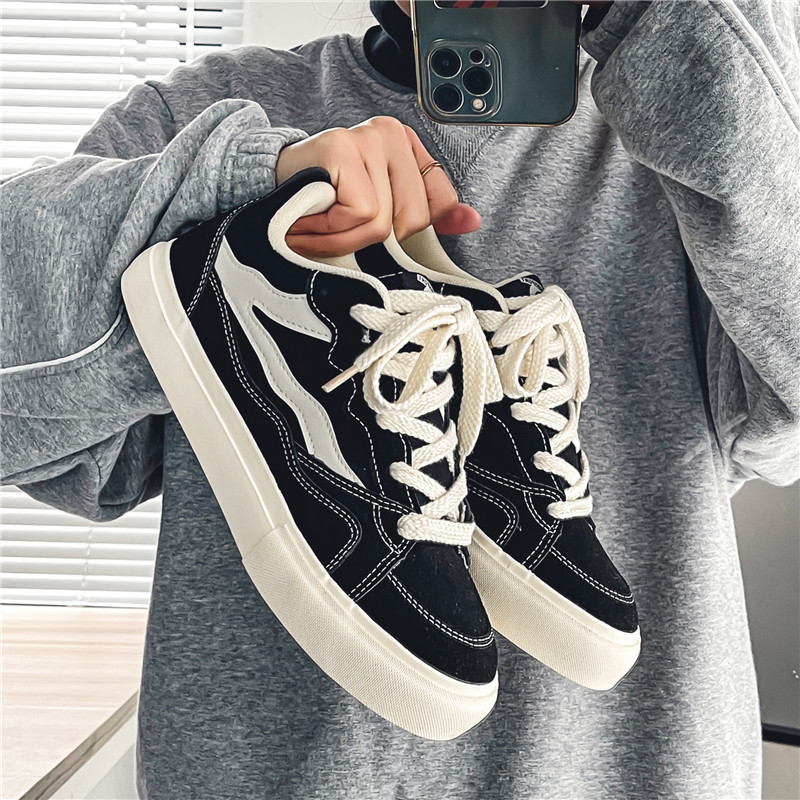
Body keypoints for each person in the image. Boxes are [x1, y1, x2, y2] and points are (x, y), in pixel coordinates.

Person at [2, 0, 798, 796]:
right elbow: (39, 438)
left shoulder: (705, 135)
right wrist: (249, 185)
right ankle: (269, 285)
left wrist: (668, 22)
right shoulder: (201, 119)